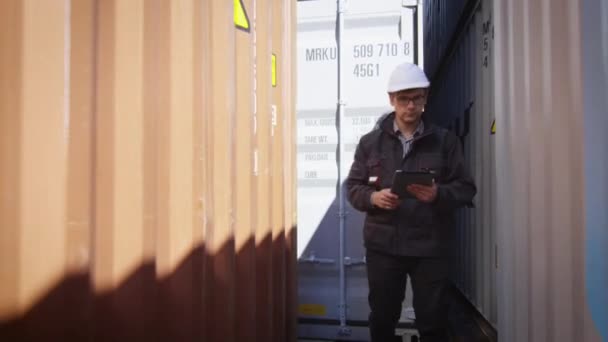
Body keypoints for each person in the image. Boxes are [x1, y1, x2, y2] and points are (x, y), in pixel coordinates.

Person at [346, 62, 476, 342]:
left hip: (430, 247)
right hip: (384, 247)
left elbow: (466, 189)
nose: (411, 105)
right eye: (404, 98)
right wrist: (373, 197)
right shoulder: (370, 143)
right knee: (382, 318)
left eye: (417, 97)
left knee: (433, 321)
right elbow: (353, 188)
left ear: (425, 98)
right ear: (391, 100)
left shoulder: (445, 142)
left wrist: (438, 194)